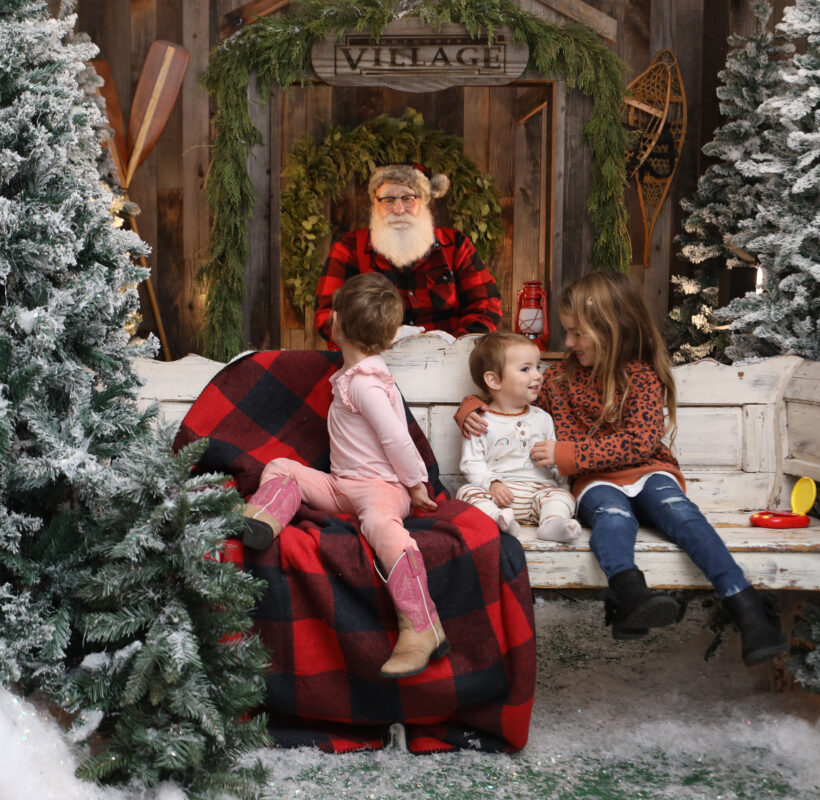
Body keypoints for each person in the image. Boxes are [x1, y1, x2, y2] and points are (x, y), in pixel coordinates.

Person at [455, 272, 789, 665]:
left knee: (681, 515)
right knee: (612, 517)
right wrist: (469, 409)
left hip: (649, 469)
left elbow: (640, 441)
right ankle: (630, 594)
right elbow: (507, 395)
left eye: (578, 334)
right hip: (595, 482)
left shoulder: (642, 377)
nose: (570, 343)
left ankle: (746, 606)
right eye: (568, 332)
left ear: (611, 329)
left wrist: (571, 455)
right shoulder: (560, 379)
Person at [242, 272, 446, 680]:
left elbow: (397, 437)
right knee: (285, 468)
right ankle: (259, 520)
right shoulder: (356, 374)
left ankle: (423, 626)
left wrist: (415, 484)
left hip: (381, 491)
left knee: (382, 529)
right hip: (343, 486)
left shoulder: (367, 385)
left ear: (335, 323)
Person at [314, 162, 502, 347]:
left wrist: (454, 345)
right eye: (388, 199)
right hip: (375, 360)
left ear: (424, 201)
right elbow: (327, 315)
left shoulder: (455, 245)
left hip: (448, 363)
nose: (398, 209)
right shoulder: (349, 248)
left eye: (408, 198)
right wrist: (377, 339)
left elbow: (486, 304)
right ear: (375, 204)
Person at [457, 332, 581, 544]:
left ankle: (551, 523)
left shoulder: (543, 418)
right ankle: (497, 520)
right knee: (465, 492)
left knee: (563, 497)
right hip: (497, 496)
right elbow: (471, 464)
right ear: (494, 380)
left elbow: (556, 465)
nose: (538, 375)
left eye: (538, 367)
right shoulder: (479, 420)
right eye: (526, 369)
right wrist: (492, 484)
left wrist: (563, 489)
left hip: (538, 493)